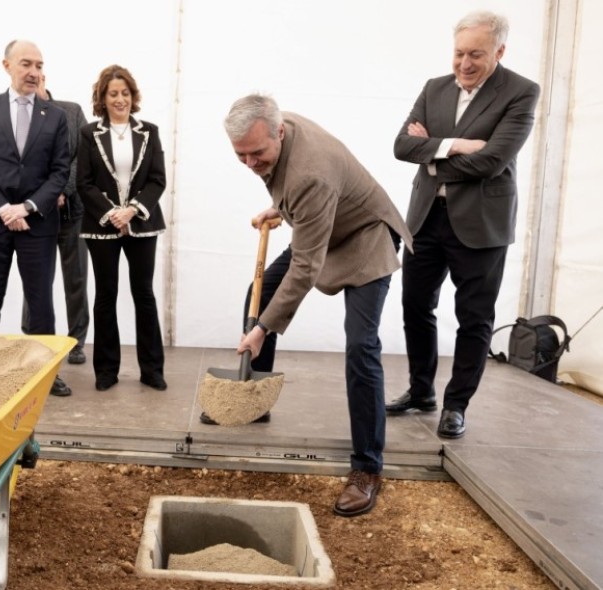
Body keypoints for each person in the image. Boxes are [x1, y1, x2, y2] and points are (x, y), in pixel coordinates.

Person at [222, 94, 412, 517]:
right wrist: (280, 206)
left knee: (360, 346)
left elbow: (305, 267)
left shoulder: (313, 174)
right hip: (324, 225)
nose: (251, 163)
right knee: (259, 293)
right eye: (241, 156)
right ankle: (253, 401)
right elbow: (293, 184)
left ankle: (367, 469)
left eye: (258, 153)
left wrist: (262, 329)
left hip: (365, 238)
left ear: (280, 132)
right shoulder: (273, 126)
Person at [387, 11, 540, 439]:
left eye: (476, 54)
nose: (465, 64)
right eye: (459, 53)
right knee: (415, 307)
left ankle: (456, 405)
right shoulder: (434, 88)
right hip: (425, 219)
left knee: (473, 318)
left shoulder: (521, 92)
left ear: (499, 51)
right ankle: (421, 392)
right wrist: (456, 145)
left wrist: (432, 154)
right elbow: (402, 146)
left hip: (482, 224)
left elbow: (493, 160)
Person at [0, 39, 72, 396]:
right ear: (6, 65)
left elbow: (60, 171)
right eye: (26, 64)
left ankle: (44, 372)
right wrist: (2, 208)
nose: (34, 72)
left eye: (39, 65)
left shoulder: (55, 116)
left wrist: (25, 207)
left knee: (41, 302)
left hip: (37, 224)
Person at [76, 65, 167, 392]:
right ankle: (106, 370)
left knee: (144, 294)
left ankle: (152, 370)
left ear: (133, 96)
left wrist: (132, 210)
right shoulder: (89, 134)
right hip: (103, 226)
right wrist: (113, 213)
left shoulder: (149, 131)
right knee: (105, 295)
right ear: (102, 97)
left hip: (142, 223)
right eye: (113, 94)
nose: (120, 99)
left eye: (125, 93)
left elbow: (158, 179)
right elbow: (83, 183)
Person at [21, 74, 90, 366]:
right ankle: (34, 338)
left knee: (76, 280)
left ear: (43, 78)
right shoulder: (19, 116)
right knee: (36, 282)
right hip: (36, 215)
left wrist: (62, 189)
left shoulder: (71, 111)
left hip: (72, 213)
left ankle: (75, 342)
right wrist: (41, 197)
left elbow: (85, 155)